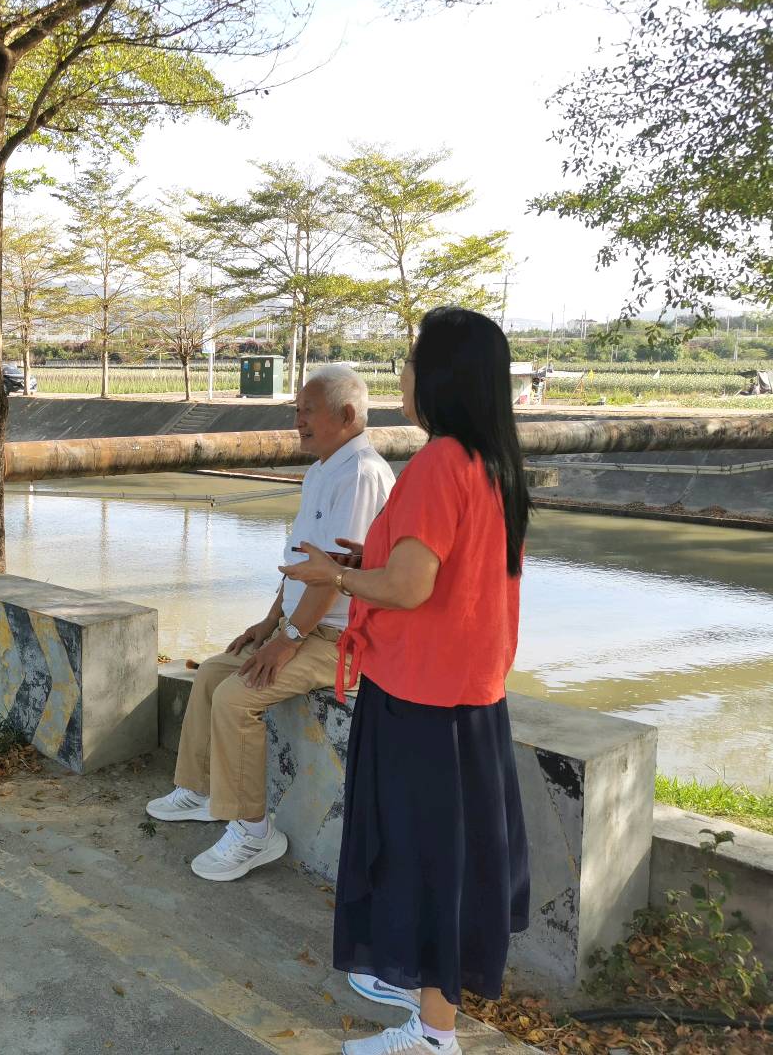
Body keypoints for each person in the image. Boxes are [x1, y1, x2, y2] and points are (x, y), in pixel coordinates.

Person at [282, 307, 531, 1055]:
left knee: (417, 867)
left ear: (443, 377)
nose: (405, 376)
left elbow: (411, 586)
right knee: (448, 871)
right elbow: (444, 572)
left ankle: (431, 1035)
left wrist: (335, 576)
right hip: (471, 701)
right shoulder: (494, 464)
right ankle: (434, 1028)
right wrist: (366, 564)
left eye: (414, 361)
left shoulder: (438, 464)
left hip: (419, 701)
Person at [144, 365, 394, 881]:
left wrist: (289, 640)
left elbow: (333, 577)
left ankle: (254, 832)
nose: (298, 421)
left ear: (347, 415)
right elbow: (303, 564)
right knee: (214, 673)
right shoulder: (323, 469)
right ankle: (200, 790)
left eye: (308, 411)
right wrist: (270, 622)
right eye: (297, 410)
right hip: (303, 626)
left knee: (238, 698)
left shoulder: (361, 475)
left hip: (339, 637)